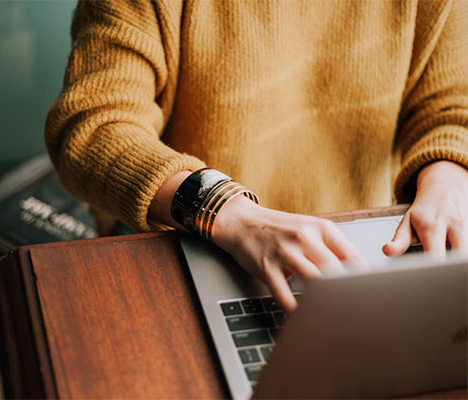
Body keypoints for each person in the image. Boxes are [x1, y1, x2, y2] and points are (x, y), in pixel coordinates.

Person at [45, 0, 468, 311]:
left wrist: (447, 178)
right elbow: (93, 127)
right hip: (190, 241)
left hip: (367, 251)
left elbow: (452, 107)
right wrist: (228, 213)